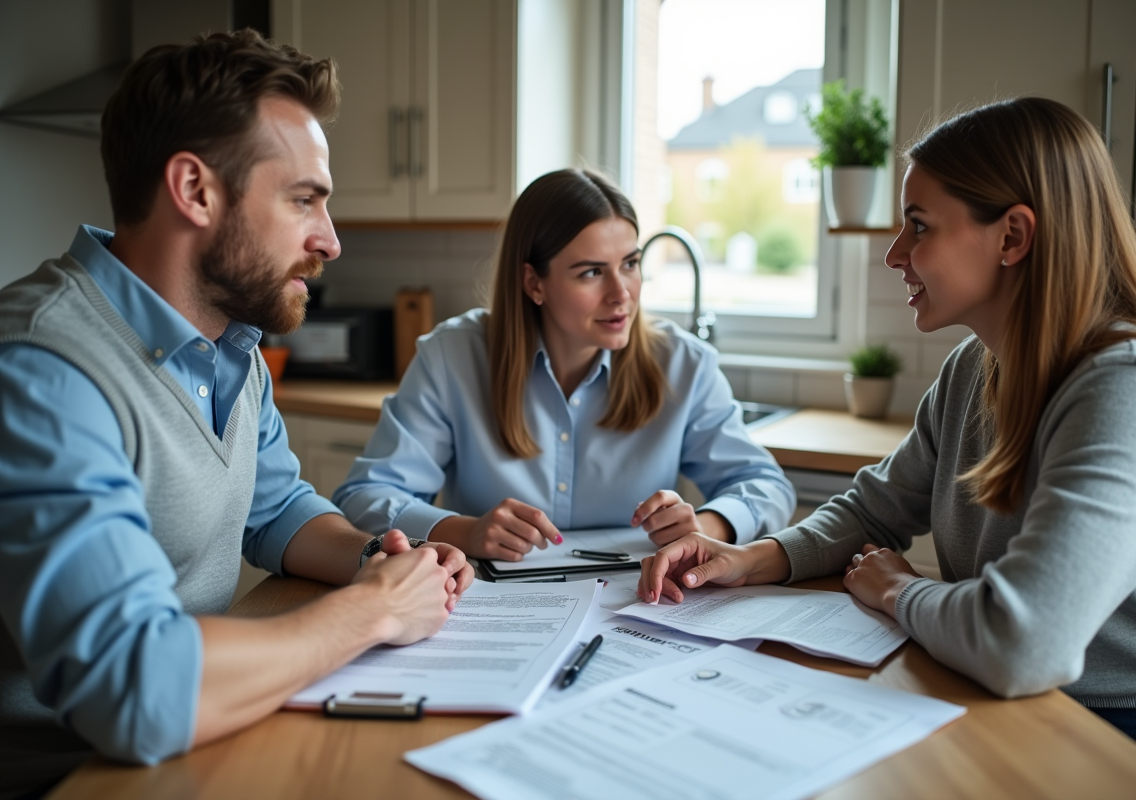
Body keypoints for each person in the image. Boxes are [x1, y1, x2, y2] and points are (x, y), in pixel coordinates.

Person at [637, 97, 1136, 779]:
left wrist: (898, 592)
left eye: (919, 226)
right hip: (999, 693)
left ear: (1012, 237)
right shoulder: (975, 368)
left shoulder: (1135, 388)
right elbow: (874, 510)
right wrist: (749, 558)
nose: (894, 253)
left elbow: (1022, 642)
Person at [0, 30, 473, 797]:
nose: (331, 240)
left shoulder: (233, 348)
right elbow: (132, 688)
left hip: (200, 734)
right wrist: (374, 610)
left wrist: (377, 558)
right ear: (194, 190)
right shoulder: (42, 368)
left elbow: (275, 508)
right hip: (70, 775)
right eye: (303, 199)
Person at [334, 169, 795, 561]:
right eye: (592, 272)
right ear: (534, 282)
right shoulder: (451, 358)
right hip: (488, 605)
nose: (621, 293)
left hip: (634, 603)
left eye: (630, 264)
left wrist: (706, 526)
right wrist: (465, 531)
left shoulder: (683, 364)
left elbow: (765, 485)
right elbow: (365, 496)